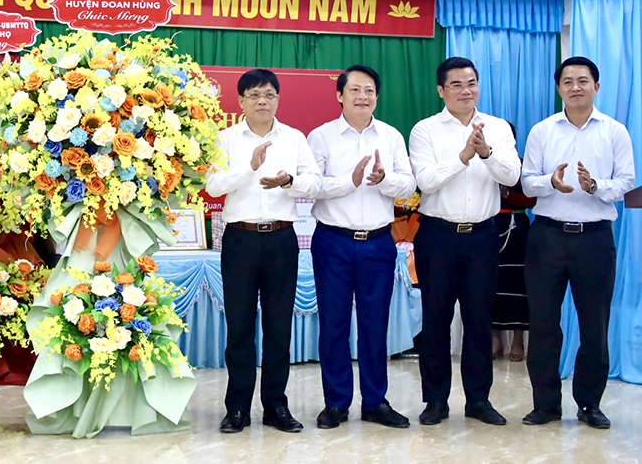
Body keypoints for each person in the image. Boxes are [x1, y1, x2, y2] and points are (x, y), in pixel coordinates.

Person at [520, 57, 635, 429]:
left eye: (583, 80)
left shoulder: (615, 131)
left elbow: (627, 182)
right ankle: (546, 404)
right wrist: (549, 182)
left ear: (596, 87)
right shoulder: (542, 130)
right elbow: (526, 182)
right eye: (567, 81)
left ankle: (589, 404)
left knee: (594, 325)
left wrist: (596, 187)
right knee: (543, 324)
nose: (575, 87)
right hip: (548, 236)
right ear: (559, 89)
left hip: (595, 240)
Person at [206, 68, 322, 434]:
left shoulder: (294, 138)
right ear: (240, 101)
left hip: (281, 242)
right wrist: (248, 168)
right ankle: (237, 408)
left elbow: (314, 182)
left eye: (269, 94)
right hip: (240, 240)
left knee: (278, 328)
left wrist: (288, 180)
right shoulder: (224, 138)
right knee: (239, 328)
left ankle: (276, 406)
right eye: (254, 95)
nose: (262, 101)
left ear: (277, 99)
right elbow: (212, 185)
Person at [409, 57, 520, 426]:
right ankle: (436, 401)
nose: (465, 90)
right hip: (438, 236)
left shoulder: (498, 127)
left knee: (478, 320)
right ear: (441, 90)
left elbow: (513, 173)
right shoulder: (425, 130)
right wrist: (463, 157)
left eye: (471, 83)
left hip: (482, 238)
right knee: (436, 320)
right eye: (456, 84)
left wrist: (485, 152)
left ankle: (478, 400)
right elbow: (425, 181)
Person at [307, 65, 416, 430]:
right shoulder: (321, 137)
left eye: (369, 90)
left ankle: (375, 402)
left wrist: (383, 180)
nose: (362, 96)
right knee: (334, 325)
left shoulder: (390, 136)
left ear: (376, 96)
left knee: (374, 325)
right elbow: (312, 186)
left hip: (378, 243)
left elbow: (408, 184)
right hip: (333, 242)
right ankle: (336, 403)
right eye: (354, 90)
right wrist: (348, 181)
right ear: (340, 95)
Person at [491, 123, 536, 363]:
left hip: (516, 227)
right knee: (489, 284)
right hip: (486, 226)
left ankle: (518, 340)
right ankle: (494, 338)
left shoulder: (521, 164)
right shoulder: (480, 162)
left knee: (518, 284)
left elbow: (533, 199)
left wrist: (508, 195)